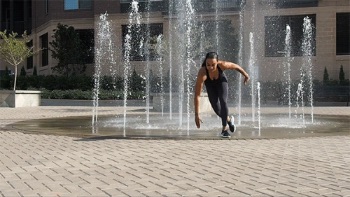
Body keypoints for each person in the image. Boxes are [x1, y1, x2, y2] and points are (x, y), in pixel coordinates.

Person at [194, 52, 250, 138]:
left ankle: (224, 130)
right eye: (208, 65)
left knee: (223, 101)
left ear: (217, 62)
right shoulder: (202, 72)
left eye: (213, 65)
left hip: (221, 83)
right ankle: (229, 120)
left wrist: (245, 75)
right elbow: (197, 95)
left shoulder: (222, 65)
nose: (210, 67)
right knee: (217, 109)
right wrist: (197, 115)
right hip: (210, 87)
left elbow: (235, 66)